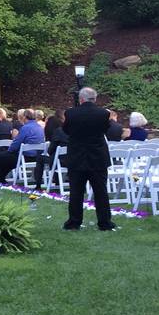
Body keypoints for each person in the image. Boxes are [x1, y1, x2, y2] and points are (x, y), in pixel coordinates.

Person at [61, 88, 115, 231]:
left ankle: (74, 222)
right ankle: (104, 222)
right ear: (95, 99)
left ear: (81, 99)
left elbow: (66, 130)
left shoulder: (70, 113)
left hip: (77, 156)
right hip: (97, 156)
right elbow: (105, 130)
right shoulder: (104, 114)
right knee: (100, 191)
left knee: (76, 191)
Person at [0, 109, 45, 183]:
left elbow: (17, 142)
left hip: (25, 157)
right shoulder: (39, 127)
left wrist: (10, 150)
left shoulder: (25, 128)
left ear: (25, 117)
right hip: (37, 157)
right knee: (5, 158)